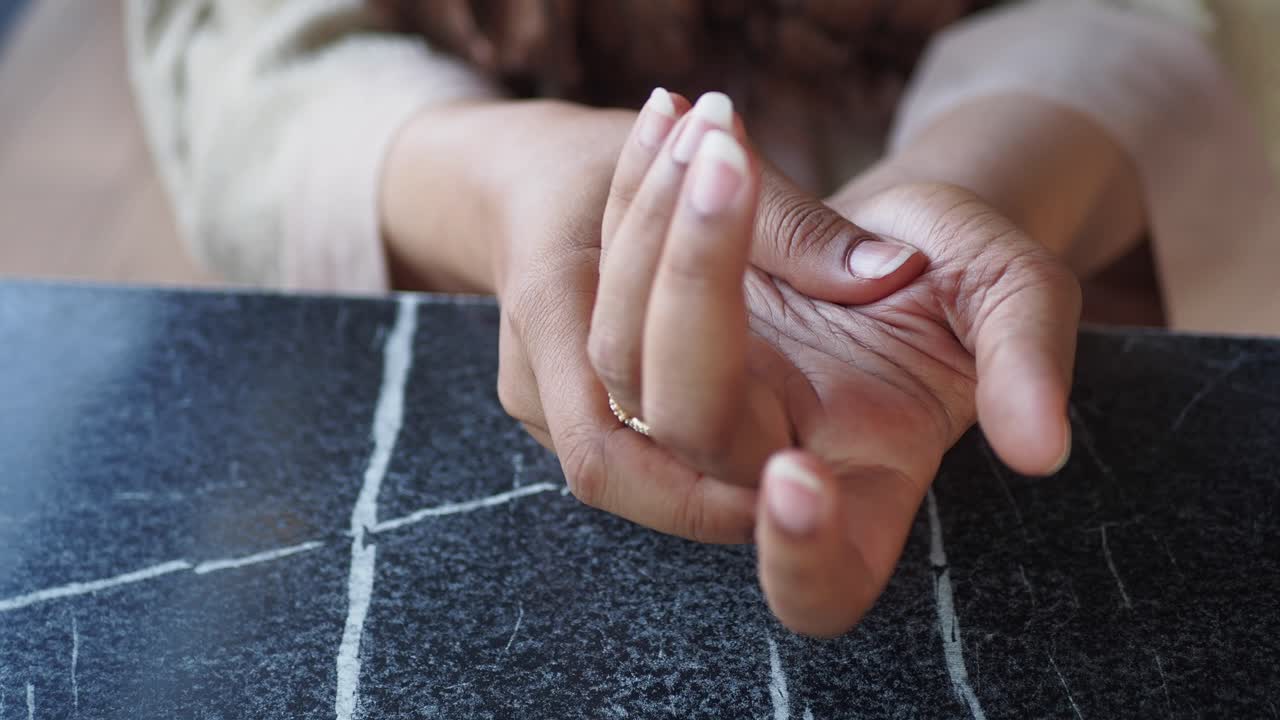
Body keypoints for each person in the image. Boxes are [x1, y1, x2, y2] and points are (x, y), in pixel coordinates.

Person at [127, 0, 1280, 636]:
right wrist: (506, 178)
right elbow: (232, 44)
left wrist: (973, 178)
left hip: (1016, 265)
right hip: (463, 287)